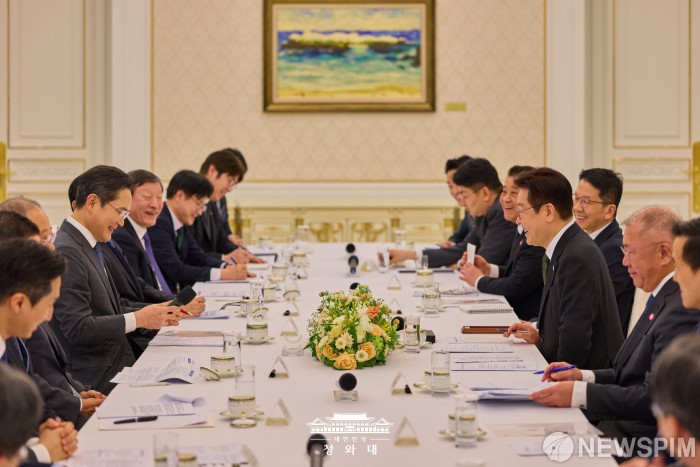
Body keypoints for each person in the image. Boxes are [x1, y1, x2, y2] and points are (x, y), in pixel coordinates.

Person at [528, 206, 698, 450]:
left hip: (637, 440)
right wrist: (583, 376)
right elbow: (630, 374)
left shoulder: (681, 306)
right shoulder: (662, 297)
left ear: (663, 253)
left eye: (630, 251)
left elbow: (656, 395)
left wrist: (580, 393)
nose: (624, 261)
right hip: (622, 426)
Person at [51, 166, 181, 394]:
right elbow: (77, 328)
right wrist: (139, 318)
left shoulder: (89, 243)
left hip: (118, 363)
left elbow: (109, 307)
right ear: (92, 202)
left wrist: (156, 313)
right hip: (96, 379)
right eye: (120, 212)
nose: (121, 223)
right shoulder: (68, 250)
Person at [503, 167, 624, 369]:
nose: (518, 220)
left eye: (521, 211)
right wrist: (541, 336)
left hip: (589, 378)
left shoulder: (575, 257)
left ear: (548, 212)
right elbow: (565, 322)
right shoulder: (567, 246)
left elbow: (574, 347)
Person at [0, 239, 78, 464]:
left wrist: (47, 435)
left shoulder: (8, 343)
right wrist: (43, 451)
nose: (49, 316)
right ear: (18, 303)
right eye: (49, 303)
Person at [389, 158, 515, 268]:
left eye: (464, 195)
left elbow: (485, 262)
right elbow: (463, 248)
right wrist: (408, 255)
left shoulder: (501, 212)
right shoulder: (485, 211)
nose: (463, 202)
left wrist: (458, 264)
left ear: (484, 193)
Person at [458, 165, 544, 320]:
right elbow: (518, 273)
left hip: (525, 320)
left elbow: (516, 286)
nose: (506, 199)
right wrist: (488, 269)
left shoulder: (535, 237)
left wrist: (478, 280)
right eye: (504, 192)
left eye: (514, 193)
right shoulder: (520, 229)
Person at [148, 170, 250, 292]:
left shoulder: (181, 221)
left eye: (203, 207)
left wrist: (227, 267)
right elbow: (176, 269)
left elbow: (198, 256)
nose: (200, 212)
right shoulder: (159, 222)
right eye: (199, 204)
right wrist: (221, 274)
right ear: (180, 196)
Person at [575, 169, 635, 335]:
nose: (577, 208)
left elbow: (585, 308)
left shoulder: (614, 250)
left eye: (586, 202)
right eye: (576, 198)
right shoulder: (588, 241)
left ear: (609, 211)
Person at [193, 149, 262, 263]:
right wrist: (225, 259)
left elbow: (220, 239)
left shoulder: (211, 200)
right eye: (230, 181)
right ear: (212, 171)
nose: (230, 189)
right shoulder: (191, 198)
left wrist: (243, 254)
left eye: (233, 184)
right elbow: (191, 254)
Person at [439, 155, 473, 247]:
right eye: (450, 186)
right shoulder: (468, 210)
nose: (454, 191)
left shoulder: (490, 210)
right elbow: (459, 235)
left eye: (458, 184)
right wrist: (451, 243)